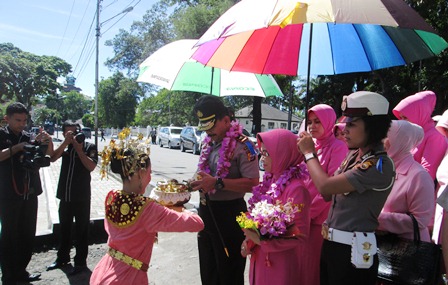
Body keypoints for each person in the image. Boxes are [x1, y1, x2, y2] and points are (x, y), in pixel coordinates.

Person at [297, 91, 395, 285]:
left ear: (372, 126)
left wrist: (309, 153)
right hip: (333, 246)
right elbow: (329, 195)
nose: (345, 129)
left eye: (352, 124)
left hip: (353, 252)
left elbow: (325, 188)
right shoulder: (354, 156)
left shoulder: (378, 165)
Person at [90, 130, 204, 284]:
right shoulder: (148, 209)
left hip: (105, 270)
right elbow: (196, 223)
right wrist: (178, 207)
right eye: (149, 172)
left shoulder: (111, 196)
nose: (150, 177)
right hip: (128, 278)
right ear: (140, 173)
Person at [190, 95, 259, 285]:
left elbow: (253, 182)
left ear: (226, 120)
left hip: (231, 213)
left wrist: (218, 183)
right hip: (207, 212)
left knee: (229, 271)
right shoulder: (208, 142)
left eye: (211, 125)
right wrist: (193, 182)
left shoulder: (244, 145)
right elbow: (202, 171)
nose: (207, 131)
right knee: (208, 268)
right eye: (204, 126)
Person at [241, 129, 311, 285]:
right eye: (262, 153)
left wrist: (261, 241)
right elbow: (258, 222)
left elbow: (299, 234)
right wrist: (249, 241)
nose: (262, 158)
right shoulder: (269, 182)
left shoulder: (296, 190)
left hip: (280, 264)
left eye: (267, 153)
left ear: (283, 153)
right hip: (260, 260)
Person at [0, 102, 53, 285]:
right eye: (18, 120)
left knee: (27, 233)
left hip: (29, 192)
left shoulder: (28, 136)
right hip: (8, 194)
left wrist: (44, 142)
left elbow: (48, 156)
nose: (22, 124)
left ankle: (22, 272)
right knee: (9, 235)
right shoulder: (2, 135)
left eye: (24, 120)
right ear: (7, 118)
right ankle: (8, 276)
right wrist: (18, 148)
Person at [302, 104, 348, 285]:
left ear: (329, 122)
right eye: (310, 122)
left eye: (318, 122)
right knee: (302, 266)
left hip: (319, 219)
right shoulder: (308, 145)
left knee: (313, 268)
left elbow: (330, 188)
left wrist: (309, 212)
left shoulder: (338, 147)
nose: (312, 126)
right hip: (303, 215)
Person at [46, 120, 98, 275]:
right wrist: (65, 143)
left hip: (82, 197)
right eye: (68, 133)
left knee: (82, 231)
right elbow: (52, 158)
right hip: (65, 195)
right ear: (63, 133)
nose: (72, 136)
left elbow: (91, 167)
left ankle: (81, 262)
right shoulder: (65, 147)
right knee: (64, 229)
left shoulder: (89, 147)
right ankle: (62, 258)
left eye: (74, 133)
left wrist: (80, 150)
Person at [377, 120, 434, 242]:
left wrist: (377, 219)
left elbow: (420, 220)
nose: (380, 141)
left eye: (386, 136)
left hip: (407, 251)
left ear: (400, 140)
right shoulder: (382, 167)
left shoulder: (418, 175)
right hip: (380, 245)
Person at [392, 90, 447, 180]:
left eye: (405, 117)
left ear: (419, 114)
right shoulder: (411, 135)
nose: (402, 121)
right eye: (401, 117)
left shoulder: (434, 137)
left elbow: (426, 175)